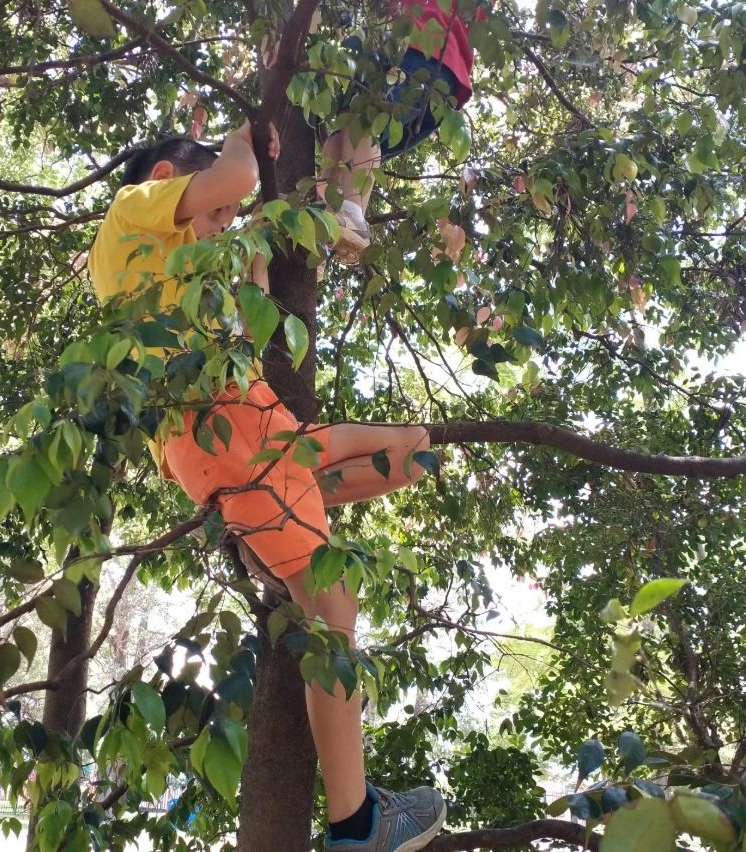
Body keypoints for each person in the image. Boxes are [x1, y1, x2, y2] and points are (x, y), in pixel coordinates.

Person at [88, 125, 446, 851]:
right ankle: (358, 823)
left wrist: (283, 234)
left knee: (413, 454)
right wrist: (247, 129)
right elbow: (234, 181)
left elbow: (242, 281)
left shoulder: (180, 274)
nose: (221, 223)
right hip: (224, 428)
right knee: (332, 610)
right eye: (211, 214)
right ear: (166, 176)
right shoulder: (134, 207)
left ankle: (358, 814)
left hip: (254, 436)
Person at [323, 0, 480, 263]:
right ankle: (328, 228)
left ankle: (349, 215)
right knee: (345, 137)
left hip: (423, 56)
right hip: (438, 83)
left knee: (364, 118)